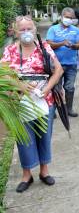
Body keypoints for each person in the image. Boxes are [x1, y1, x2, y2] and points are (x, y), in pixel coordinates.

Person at [1, 15, 63, 193]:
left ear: (35, 30)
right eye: (22, 29)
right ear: (15, 32)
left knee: (44, 135)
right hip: (20, 101)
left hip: (44, 99)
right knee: (24, 137)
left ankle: (44, 171)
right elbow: (3, 73)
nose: (26, 32)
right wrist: (19, 85)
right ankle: (26, 174)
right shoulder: (10, 51)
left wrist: (47, 89)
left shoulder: (44, 48)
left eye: (29, 29)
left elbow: (58, 70)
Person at [46, 7, 79, 117]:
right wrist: (62, 43)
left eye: (71, 18)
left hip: (71, 64)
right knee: (56, 88)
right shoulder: (53, 29)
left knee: (70, 87)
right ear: (61, 17)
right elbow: (48, 44)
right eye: (67, 17)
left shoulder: (76, 30)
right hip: (56, 65)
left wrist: (73, 45)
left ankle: (69, 109)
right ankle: (54, 111)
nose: (69, 19)